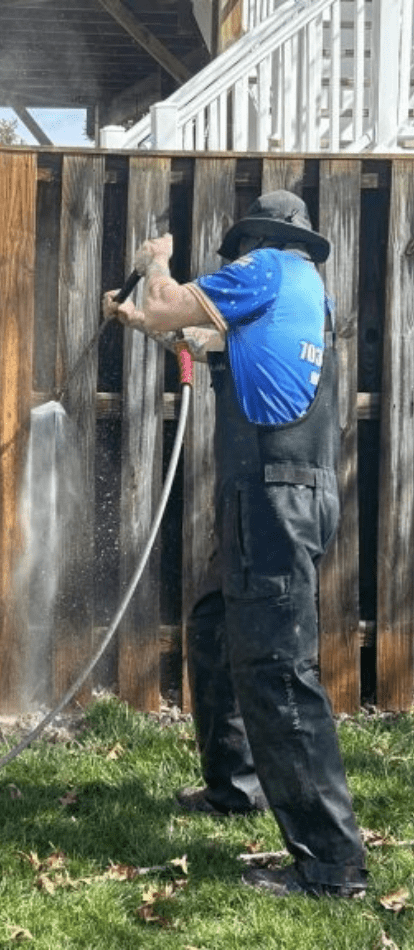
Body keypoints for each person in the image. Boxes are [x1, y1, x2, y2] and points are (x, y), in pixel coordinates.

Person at [103, 190, 367, 899]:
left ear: (258, 241)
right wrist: (139, 320)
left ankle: (331, 866)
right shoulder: (304, 296)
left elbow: (171, 304)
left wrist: (155, 265)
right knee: (216, 627)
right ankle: (235, 787)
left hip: (272, 500)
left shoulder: (267, 270)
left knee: (278, 672)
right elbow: (194, 338)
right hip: (292, 494)